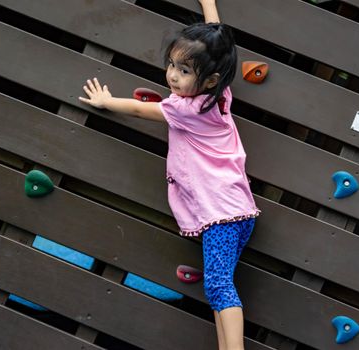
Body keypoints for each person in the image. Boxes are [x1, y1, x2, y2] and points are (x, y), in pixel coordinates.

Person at [79, 0, 260, 349]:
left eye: (184, 71)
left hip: (221, 212)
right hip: (236, 210)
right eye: (172, 65)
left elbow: (137, 108)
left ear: (208, 78)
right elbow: (222, 47)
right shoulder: (220, 96)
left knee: (219, 285)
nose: (173, 76)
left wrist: (106, 101)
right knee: (217, 286)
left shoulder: (185, 108)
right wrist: (209, 5)